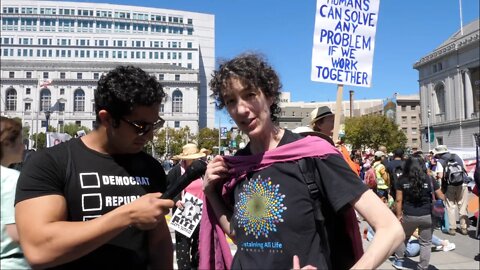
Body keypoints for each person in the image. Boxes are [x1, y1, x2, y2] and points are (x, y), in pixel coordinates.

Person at [200, 53, 404, 270]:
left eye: (250, 95)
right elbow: (242, 237)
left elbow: (391, 229)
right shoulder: (238, 167)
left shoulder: (313, 154)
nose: (240, 109)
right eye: (231, 101)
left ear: (269, 96)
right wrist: (211, 192)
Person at [14, 66, 174, 269]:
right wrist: (127, 215)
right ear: (107, 118)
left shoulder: (151, 168)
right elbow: (39, 249)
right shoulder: (51, 163)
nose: (150, 135)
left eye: (155, 124)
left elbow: (158, 242)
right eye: (140, 126)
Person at [393, 154, 446, 270]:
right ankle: (423, 266)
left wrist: (398, 215)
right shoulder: (429, 179)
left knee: (403, 237)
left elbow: (398, 200)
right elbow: (441, 196)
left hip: (408, 215)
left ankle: (399, 261)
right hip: (427, 215)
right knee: (426, 243)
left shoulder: (402, 180)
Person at [167, 143, 206, 270]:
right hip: (183, 212)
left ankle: (196, 267)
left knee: (199, 245)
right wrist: (176, 200)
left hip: (201, 212)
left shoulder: (202, 169)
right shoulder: (176, 171)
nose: (195, 160)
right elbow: (168, 190)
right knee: (183, 246)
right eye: (193, 158)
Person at [1, 117, 30, 269]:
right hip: (12, 262)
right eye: (20, 141)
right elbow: (15, 232)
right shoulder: (12, 179)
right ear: (7, 144)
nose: (23, 146)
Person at [433, 145, 469, 235]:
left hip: (450, 185)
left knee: (450, 206)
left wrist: (435, 175)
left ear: (439, 154)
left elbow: (440, 176)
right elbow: (466, 169)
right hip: (462, 184)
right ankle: (464, 227)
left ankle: (452, 228)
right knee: (462, 205)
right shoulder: (457, 156)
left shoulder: (441, 161)